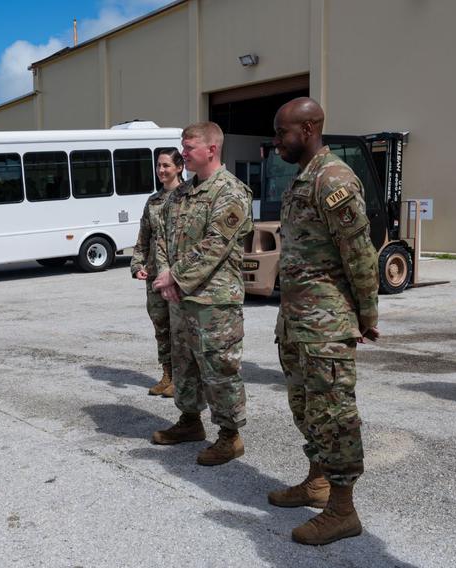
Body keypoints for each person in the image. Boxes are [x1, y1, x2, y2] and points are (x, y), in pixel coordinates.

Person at [265, 97, 379, 546]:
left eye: (283, 133)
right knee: (306, 408)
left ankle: (343, 509)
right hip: (297, 321)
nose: (277, 142)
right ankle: (317, 482)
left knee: (334, 414)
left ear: (310, 128)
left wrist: (367, 314)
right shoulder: (303, 178)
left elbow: (359, 254)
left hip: (326, 323)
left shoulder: (333, 179)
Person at [150, 121, 254, 466]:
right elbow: (163, 237)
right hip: (181, 299)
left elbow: (215, 245)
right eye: (182, 147)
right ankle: (190, 422)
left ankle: (229, 437)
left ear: (211, 149)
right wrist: (166, 275)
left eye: (189, 148)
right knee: (185, 365)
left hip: (215, 303)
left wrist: (175, 278)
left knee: (219, 369)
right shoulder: (181, 194)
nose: (183, 154)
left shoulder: (231, 192)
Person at [131, 149, 185, 397]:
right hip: (154, 276)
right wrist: (137, 265)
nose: (161, 171)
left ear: (179, 167)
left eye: (166, 166)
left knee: (179, 330)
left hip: (178, 276)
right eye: (158, 166)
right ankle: (168, 375)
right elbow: (143, 239)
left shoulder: (188, 197)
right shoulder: (152, 202)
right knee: (161, 328)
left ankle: (183, 379)